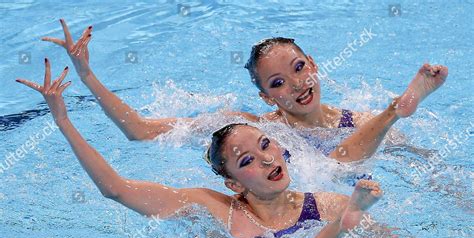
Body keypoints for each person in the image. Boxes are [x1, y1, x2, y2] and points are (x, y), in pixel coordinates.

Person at [16, 60, 383, 238]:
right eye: (247, 161)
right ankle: (338, 231)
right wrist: (63, 120)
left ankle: (339, 231)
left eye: (266, 145)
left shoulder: (327, 204)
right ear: (234, 184)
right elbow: (114, 188)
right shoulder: (212, 207)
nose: (268, 158)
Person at [40, 20, 448, 162]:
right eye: (277, 84)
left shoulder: (357, 120)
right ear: (267, 99)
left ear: (315, 66)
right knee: (342, 162)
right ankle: (396, 108)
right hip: (312, 189)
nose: (297, 85)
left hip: (345, 188)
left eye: (300, 68)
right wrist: (88, 76)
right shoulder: (251, 128)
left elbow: (425, 163)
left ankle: (396, 111)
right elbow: (141, 131)